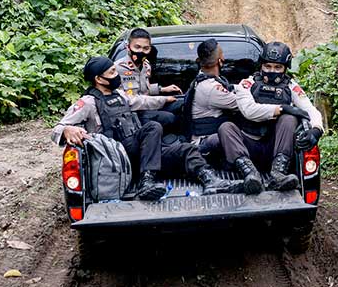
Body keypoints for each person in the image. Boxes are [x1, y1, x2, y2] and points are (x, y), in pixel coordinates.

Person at [52, 56, 242, 199]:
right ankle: (146, 183)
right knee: (152, 127)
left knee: (186, 149)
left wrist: (166, 98)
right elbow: (57, 128)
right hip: (118, 159)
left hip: (142, 154)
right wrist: (68, 130)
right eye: (111, 73)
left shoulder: (119, 95)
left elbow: (142, 101)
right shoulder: (88, 102)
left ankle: (212, 181)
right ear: (98, 79)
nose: (116, 75)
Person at [218, 42, 324, 195]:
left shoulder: (291, 86)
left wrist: (316, 129)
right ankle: (250, 175)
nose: (271, 71)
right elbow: (249, 111)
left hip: (275, 149)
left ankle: (278, 175)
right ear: (261, 65)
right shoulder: (247, 84)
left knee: (289, 119)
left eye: (277, 67)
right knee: (225, 127)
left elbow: (310, 109)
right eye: (267, 66)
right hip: (249, 147)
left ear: (285, 68)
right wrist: (281, 108)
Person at [114, 28, 183, 132]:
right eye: (137, 47)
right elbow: (131, 100)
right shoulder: (118, 68)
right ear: (128, 47)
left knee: (181, 103)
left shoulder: (146, 65)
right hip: (133, 113)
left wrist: (162, 89)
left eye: (146, 48)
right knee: (169, 118)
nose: (141, 52)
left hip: (148, 107)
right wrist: (163, 99)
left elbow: (143, 89)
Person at [182, 39, 237, 146]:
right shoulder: (211, 88)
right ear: (220, 61)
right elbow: (242, 105)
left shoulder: (200, 79)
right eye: (222, 55)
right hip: (205, 142)